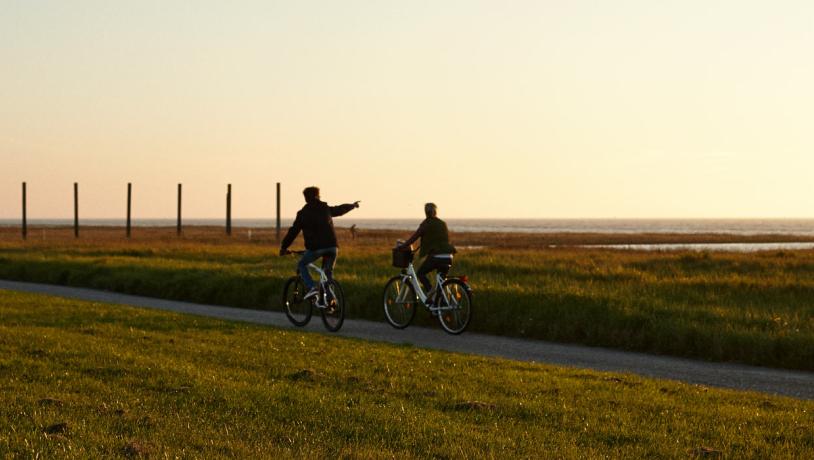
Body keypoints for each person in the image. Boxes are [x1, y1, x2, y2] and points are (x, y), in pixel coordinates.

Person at [280, 186, 360, 300]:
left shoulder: (303, 213)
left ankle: (312, 287)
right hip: (333, 247)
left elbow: (293, 232)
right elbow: (339, 210)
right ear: (317, 196)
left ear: (306, 199)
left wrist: (284, 247)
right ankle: (331, 300)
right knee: (327, 274)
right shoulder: (325, 208)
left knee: (302, 264)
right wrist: (352, 205)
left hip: (316, 248)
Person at [397, 203, 456, 304]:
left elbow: (413, 238)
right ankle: (440, 305)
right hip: (448, 256)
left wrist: (402, 247)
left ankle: (431, 296)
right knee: (440, 283)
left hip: (437, 257)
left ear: (426, 212)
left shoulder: (426, 224)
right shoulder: (442, 223)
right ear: (435, 211)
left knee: (421, 273)